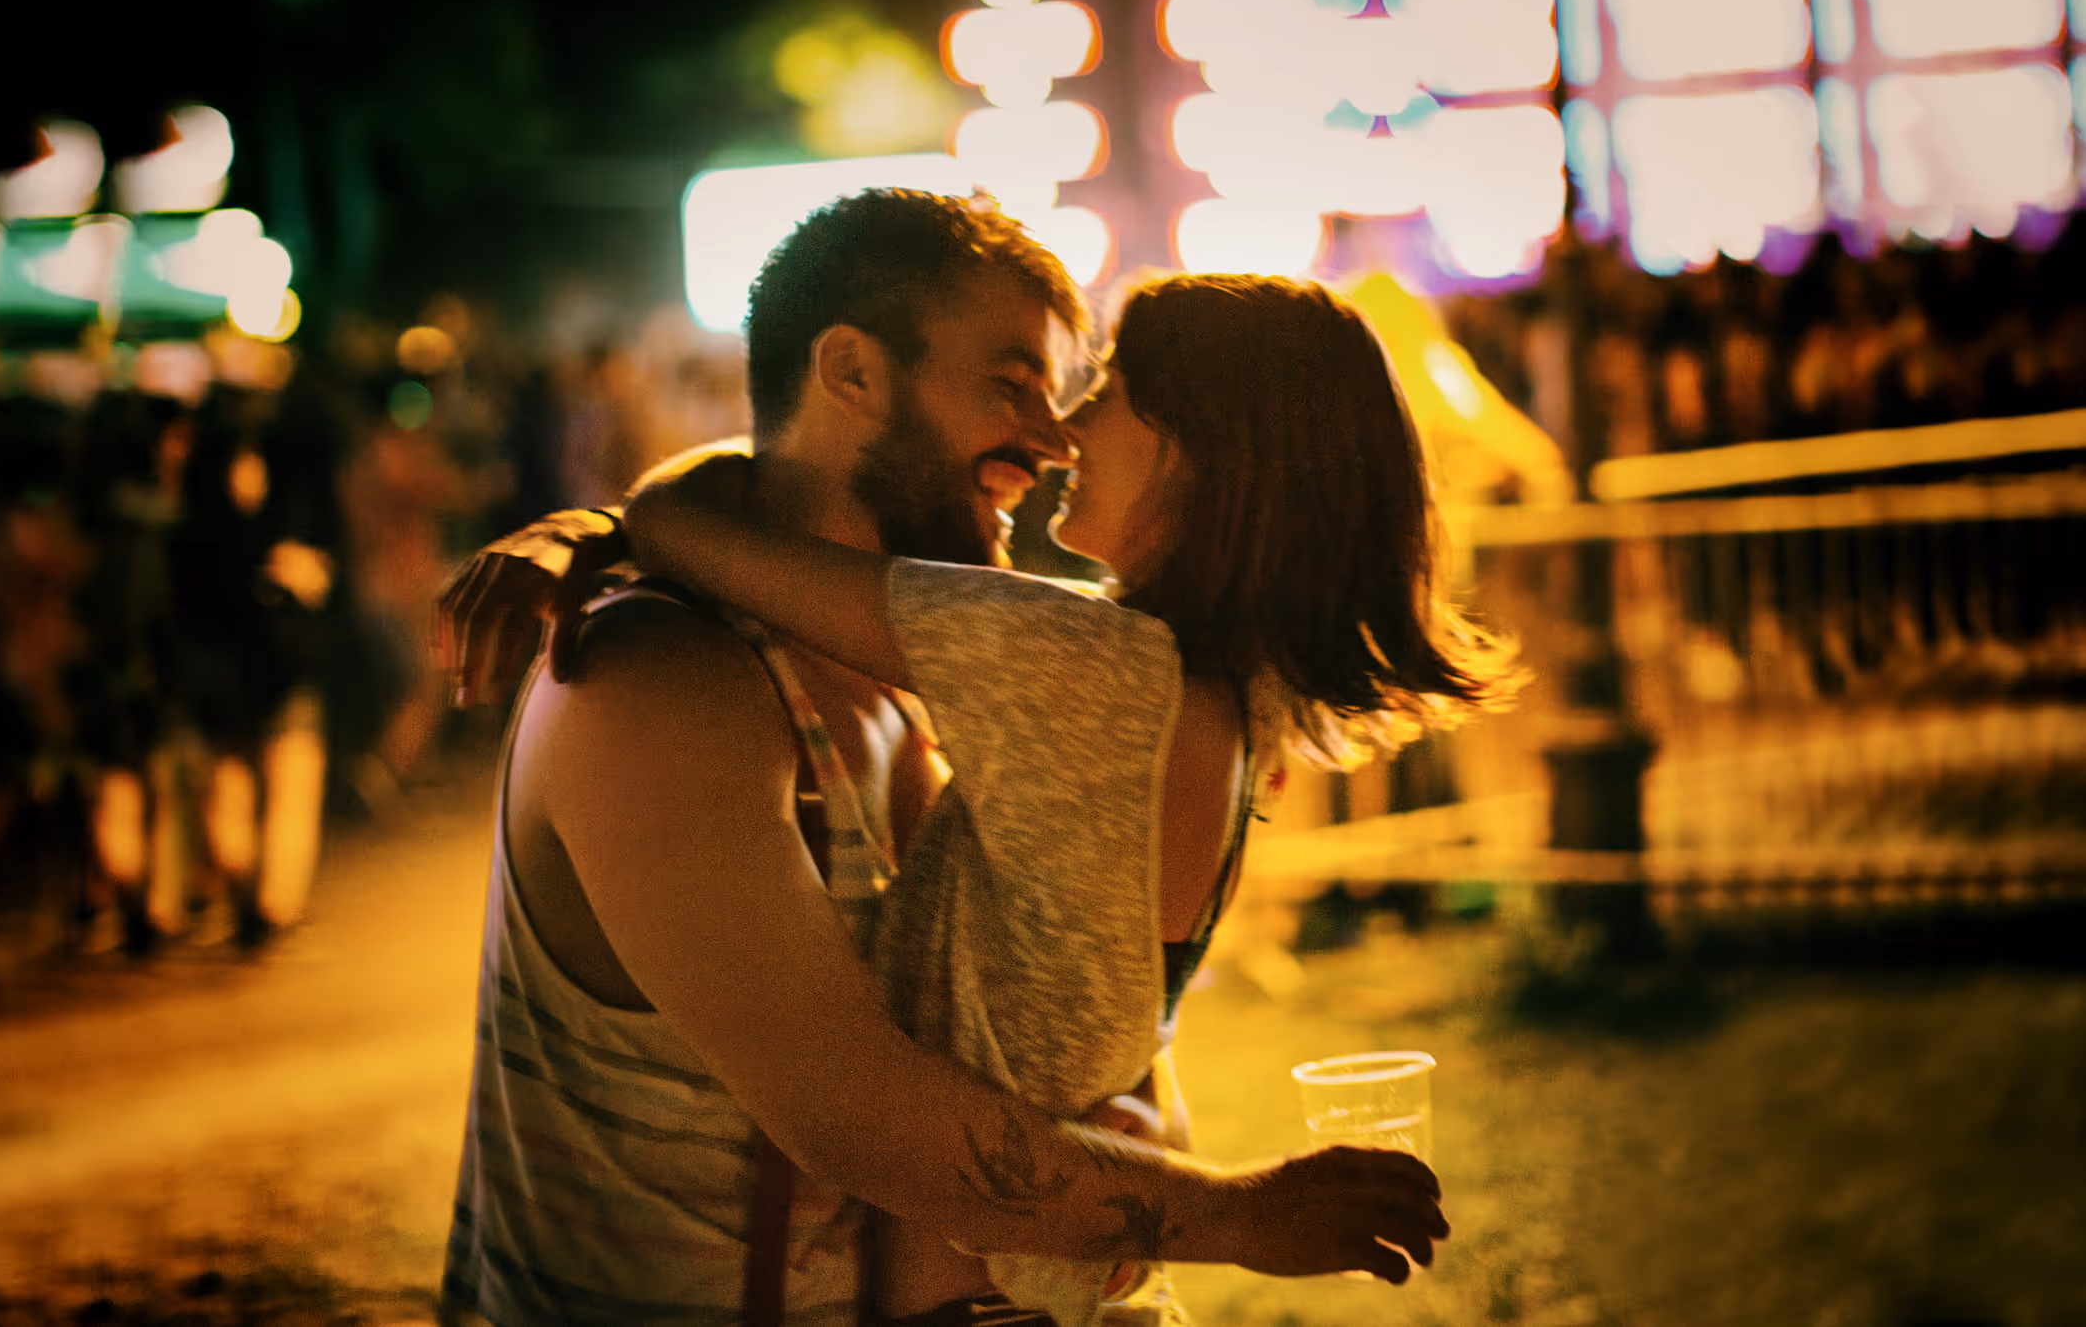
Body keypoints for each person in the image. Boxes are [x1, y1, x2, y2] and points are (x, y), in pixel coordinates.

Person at [436, 192, 1452, 1327]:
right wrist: (1225, 1210)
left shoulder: (999, 671)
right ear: (851, 372)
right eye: (1013, 385)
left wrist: (620, 517)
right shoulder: (658, 685)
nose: (1054, 437)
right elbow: (856, 1112)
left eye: (1087, 394)